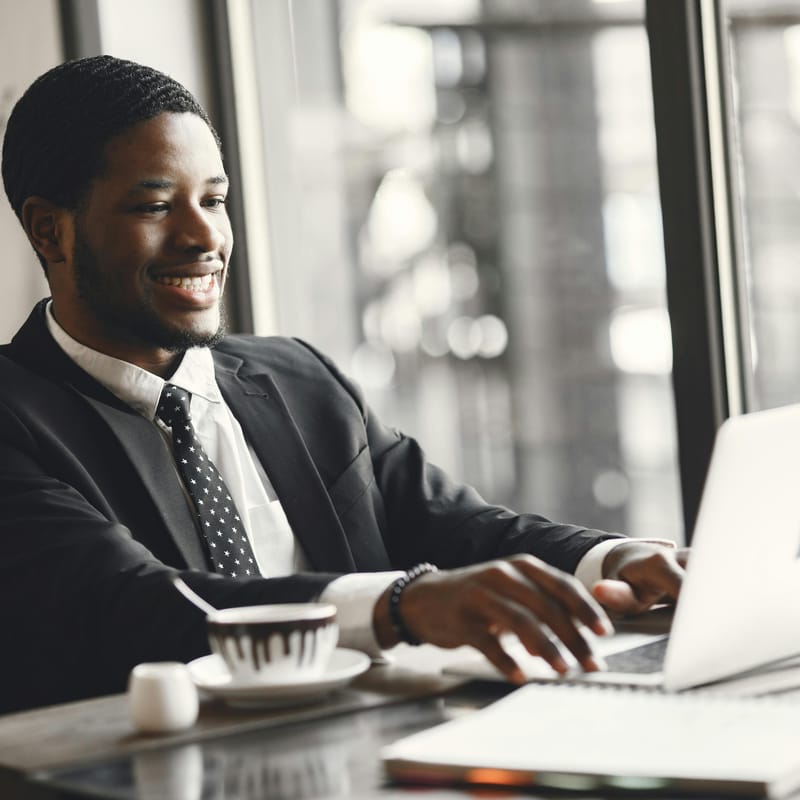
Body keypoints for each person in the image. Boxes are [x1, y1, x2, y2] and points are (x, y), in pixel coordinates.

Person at [0, 55, 686, 713]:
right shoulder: (13, 417)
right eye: (154, 207)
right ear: (51, 231)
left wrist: (611, 558)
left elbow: (456, 526)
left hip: (380, 745)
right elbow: (139, 604)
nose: (203, 234)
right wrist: (401, 604)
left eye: (215, 199)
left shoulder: (299, 377)